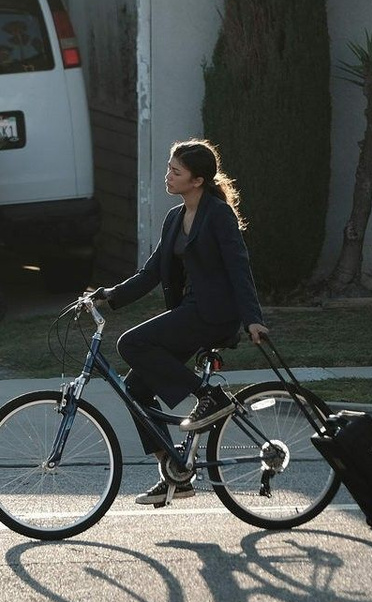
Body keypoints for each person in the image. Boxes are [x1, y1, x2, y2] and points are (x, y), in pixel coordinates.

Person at [96, 139, 269, 506]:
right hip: (191, 312)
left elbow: (240, 268)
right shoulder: (175, 218)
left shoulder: (217, 215)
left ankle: (210, 396)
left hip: (214, 314)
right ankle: (174, 470)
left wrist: (253, 319)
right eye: (169, 168)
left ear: (198, 180)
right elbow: (152, 272)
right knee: (136, 389)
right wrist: (109, 295)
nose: (168, 176)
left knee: (130, 343)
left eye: (176, 171)